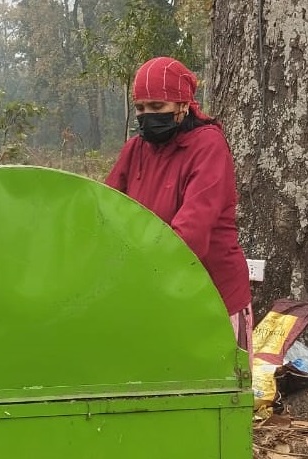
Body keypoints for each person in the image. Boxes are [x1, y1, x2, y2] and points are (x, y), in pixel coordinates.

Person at [105, 56, 253, 355]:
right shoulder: (135, 150)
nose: (147, 115)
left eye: (157, 106)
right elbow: (105, 207)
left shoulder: (208, 146)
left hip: (211, 293)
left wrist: (137, 272)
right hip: (154, 288)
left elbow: (191, 232)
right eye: (141, 108)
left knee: (213, 378)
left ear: (183, 105)